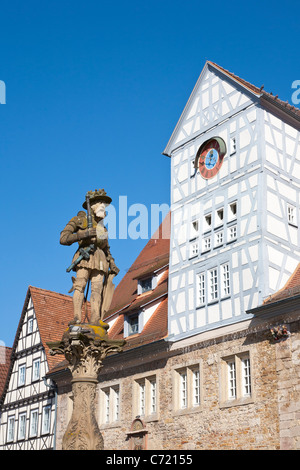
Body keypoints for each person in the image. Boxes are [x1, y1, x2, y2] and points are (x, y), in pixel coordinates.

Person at [60, 189, 119, 325]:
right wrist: (83, 234)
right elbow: (63, 238)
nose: (103, 205)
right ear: (91, 205)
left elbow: (106, 249)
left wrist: (112, 263)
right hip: (84, 256)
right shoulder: (79, 220)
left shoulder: (102, 228)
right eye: (100, 202)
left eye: (104, 203)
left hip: (100, 260)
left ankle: (95, 319)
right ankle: (77, 318)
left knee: (97, 290)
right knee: (79, 286)